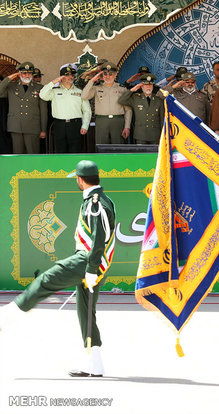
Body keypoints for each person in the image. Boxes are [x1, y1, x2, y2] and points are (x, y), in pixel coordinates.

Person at [0, 160, 116, 377]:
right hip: (95, 262)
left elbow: (99, 237)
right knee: (86, 312)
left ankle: (7, 316)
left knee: (45, 281)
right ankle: (94, 363)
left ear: (81, 180)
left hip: (87, 260)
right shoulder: (102, 199)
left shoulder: (95, 203)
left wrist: (91, 268)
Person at [40, 66, 91, 153]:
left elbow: (87, 111)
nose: (70, 77)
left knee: (75, 151)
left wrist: (85, 125)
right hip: (59, 125)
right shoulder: (55, 91)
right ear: (61, 77)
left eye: (72, 75)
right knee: (60, 151)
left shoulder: (79, 92)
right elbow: (42, 95)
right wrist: (54, 81)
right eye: (67, 75)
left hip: (75, 125)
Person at [0, 61, 48, 154]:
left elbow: (43, 110)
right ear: (19, 73)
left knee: (33, 154)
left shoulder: (39, 88)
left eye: (29, 73)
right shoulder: (11, 86)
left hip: (32, 127)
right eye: (24, 73)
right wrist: (9, 78)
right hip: (15, 126)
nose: (27, 75)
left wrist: (43, 129)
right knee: (18, 155)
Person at [81, 63, 132, 145]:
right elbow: (84, 96)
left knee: (118, 147)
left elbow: (128, 110)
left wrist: (127, 126)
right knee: (101, 147)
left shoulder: (122, 89)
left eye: (110, 74)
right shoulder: (96, 87)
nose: (107, 77)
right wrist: (92, 81)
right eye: (105, 74)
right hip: (102, 121)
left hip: (118, 121)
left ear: (115, 75)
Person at [118, 73, 164, 144]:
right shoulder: (136, 98)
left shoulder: (159, 100)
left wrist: (163, 134)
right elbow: (121, 100)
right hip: (140, 135)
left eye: (150, 84)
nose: (148, 87)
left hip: (155, 135)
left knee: (154, 155)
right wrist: (132, 90)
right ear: (141, 86)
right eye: (145, 85)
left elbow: (162, 120)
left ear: (153, 86)